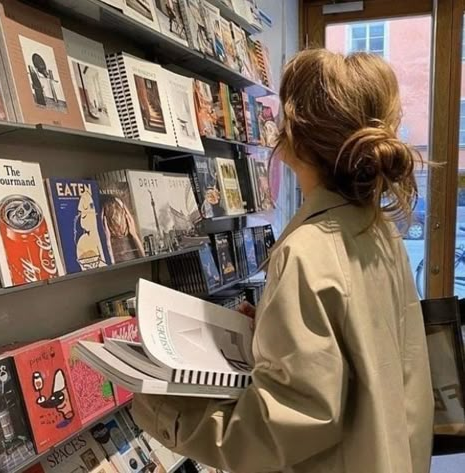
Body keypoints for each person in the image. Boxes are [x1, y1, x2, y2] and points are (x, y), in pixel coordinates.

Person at [132, 49, 434, 473]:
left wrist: (162, 410)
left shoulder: (306, 251)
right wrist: (272, 330)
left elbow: (289, 423)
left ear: (294, 137)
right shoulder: (377, 229)